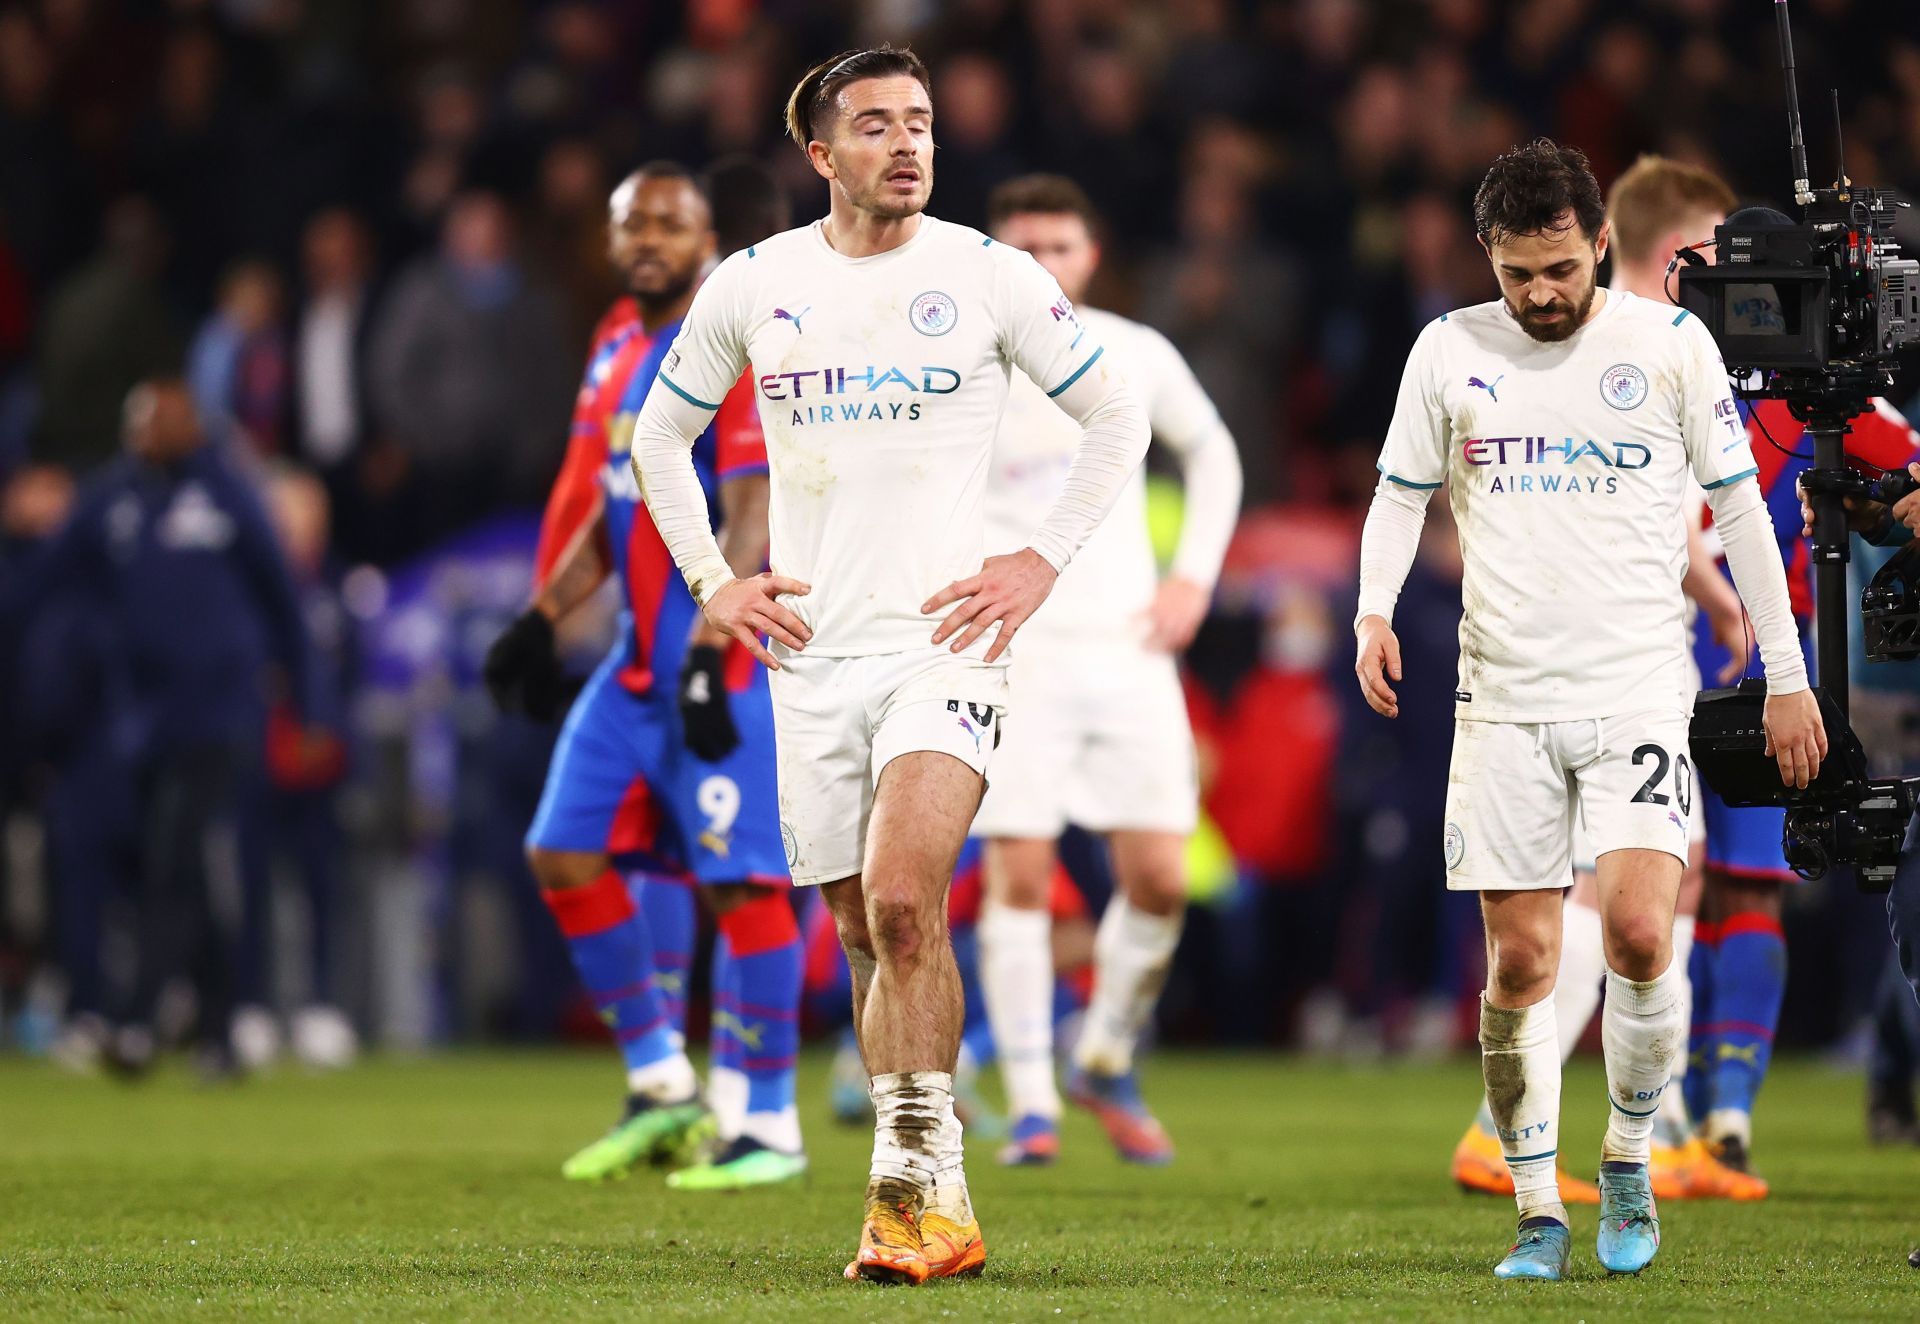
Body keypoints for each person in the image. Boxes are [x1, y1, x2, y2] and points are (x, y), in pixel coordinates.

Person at [628, 46, 1148, 1286]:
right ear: (820, 155)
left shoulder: (986, 273)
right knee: (867, 934)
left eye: (918, 122)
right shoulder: (756, 284)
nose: (907, 144)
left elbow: (1115, 414)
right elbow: (660, 438)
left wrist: (1038, 562)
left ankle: (903, 1190)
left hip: (941, 648)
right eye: (875, 126)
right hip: (811, 659)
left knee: (910, 900)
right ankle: (945, 1200)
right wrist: (717, 586)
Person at [1353, 139, 1823, 1281]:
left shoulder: (1669, 342)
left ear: (1600, 242)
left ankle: (1622, 1153)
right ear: (1490, 257)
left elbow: (1739, 513)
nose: (1541, 293)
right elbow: (1398, 494)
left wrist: (1788, 671)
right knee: (1518, 964)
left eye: (1560, 268)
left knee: (1641, 934)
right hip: (1502, 700)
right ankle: (1533, 1209)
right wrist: (1372, 612)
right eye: (1519, 273)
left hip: (1635, 690)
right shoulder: (1449, 349)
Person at [1447, 153, 1765, 1204]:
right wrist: (1717, 597)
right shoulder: (1633, 346)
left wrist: (1712, 598)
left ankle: (1659, 1127)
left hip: (1637, 655)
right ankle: (1511, 1136)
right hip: (1595, 668)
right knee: (1614, 898)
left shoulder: (1656, 343)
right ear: (1674, 248)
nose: (1726, 266)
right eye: (1714, 246)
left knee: (1656, 899)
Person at [484, 163, 805, 1192]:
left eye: (674, 221)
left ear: (711, 236)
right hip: (629, 670)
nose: (652, 237)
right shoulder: (620, 340)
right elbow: (612, 496)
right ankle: (664, 1085)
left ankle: (770, 1123)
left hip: (720, 666)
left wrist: (718, 651)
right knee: (564, 852)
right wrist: (542, 617)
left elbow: (751, 508)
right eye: (636, 224)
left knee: (744, 882)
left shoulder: (734, 338)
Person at [966, 173, 1243, 1168]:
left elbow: (1214, 455)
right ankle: (1034, 1103)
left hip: (1126, 649)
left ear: (1092, 256)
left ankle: (1106, 1057)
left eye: (1061, 247)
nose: (1043, 265)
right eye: (1023, 247)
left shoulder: (1131, 351)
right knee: (1020, 875)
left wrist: (1194, 581)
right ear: (993, 258)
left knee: (1161, 878)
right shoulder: (963, 359)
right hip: (1013, 654)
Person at [6, 378, 317, 1076]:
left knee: (177, 855)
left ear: (191, 427)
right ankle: (221, 1033)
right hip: (143, 719)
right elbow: (40, 581)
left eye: (163, 421)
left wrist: (309, 702)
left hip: (223, 710)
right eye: (141, 420)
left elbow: (281, 598)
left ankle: (138, 1022)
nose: (148, 432)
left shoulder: (226, 492)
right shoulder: (111, 498)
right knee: (180, 871)